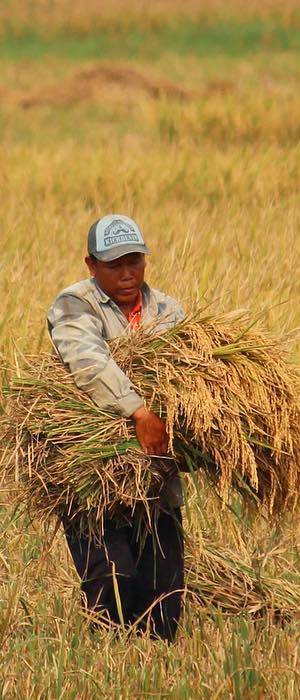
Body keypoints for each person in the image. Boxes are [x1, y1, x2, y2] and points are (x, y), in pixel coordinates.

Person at [47, 214, 186, 641]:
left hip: (156, 475)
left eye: (135, 261)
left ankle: (155, 679)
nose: (127, 274)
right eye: (114, 265)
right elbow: (88, 363)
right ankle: (108, 666)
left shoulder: (169, 310)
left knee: (163, 599)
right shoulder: (74, 304)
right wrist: (140, 413)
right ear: (91, 265)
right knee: (112, 577)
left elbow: (192, 377)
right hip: (91, 473)